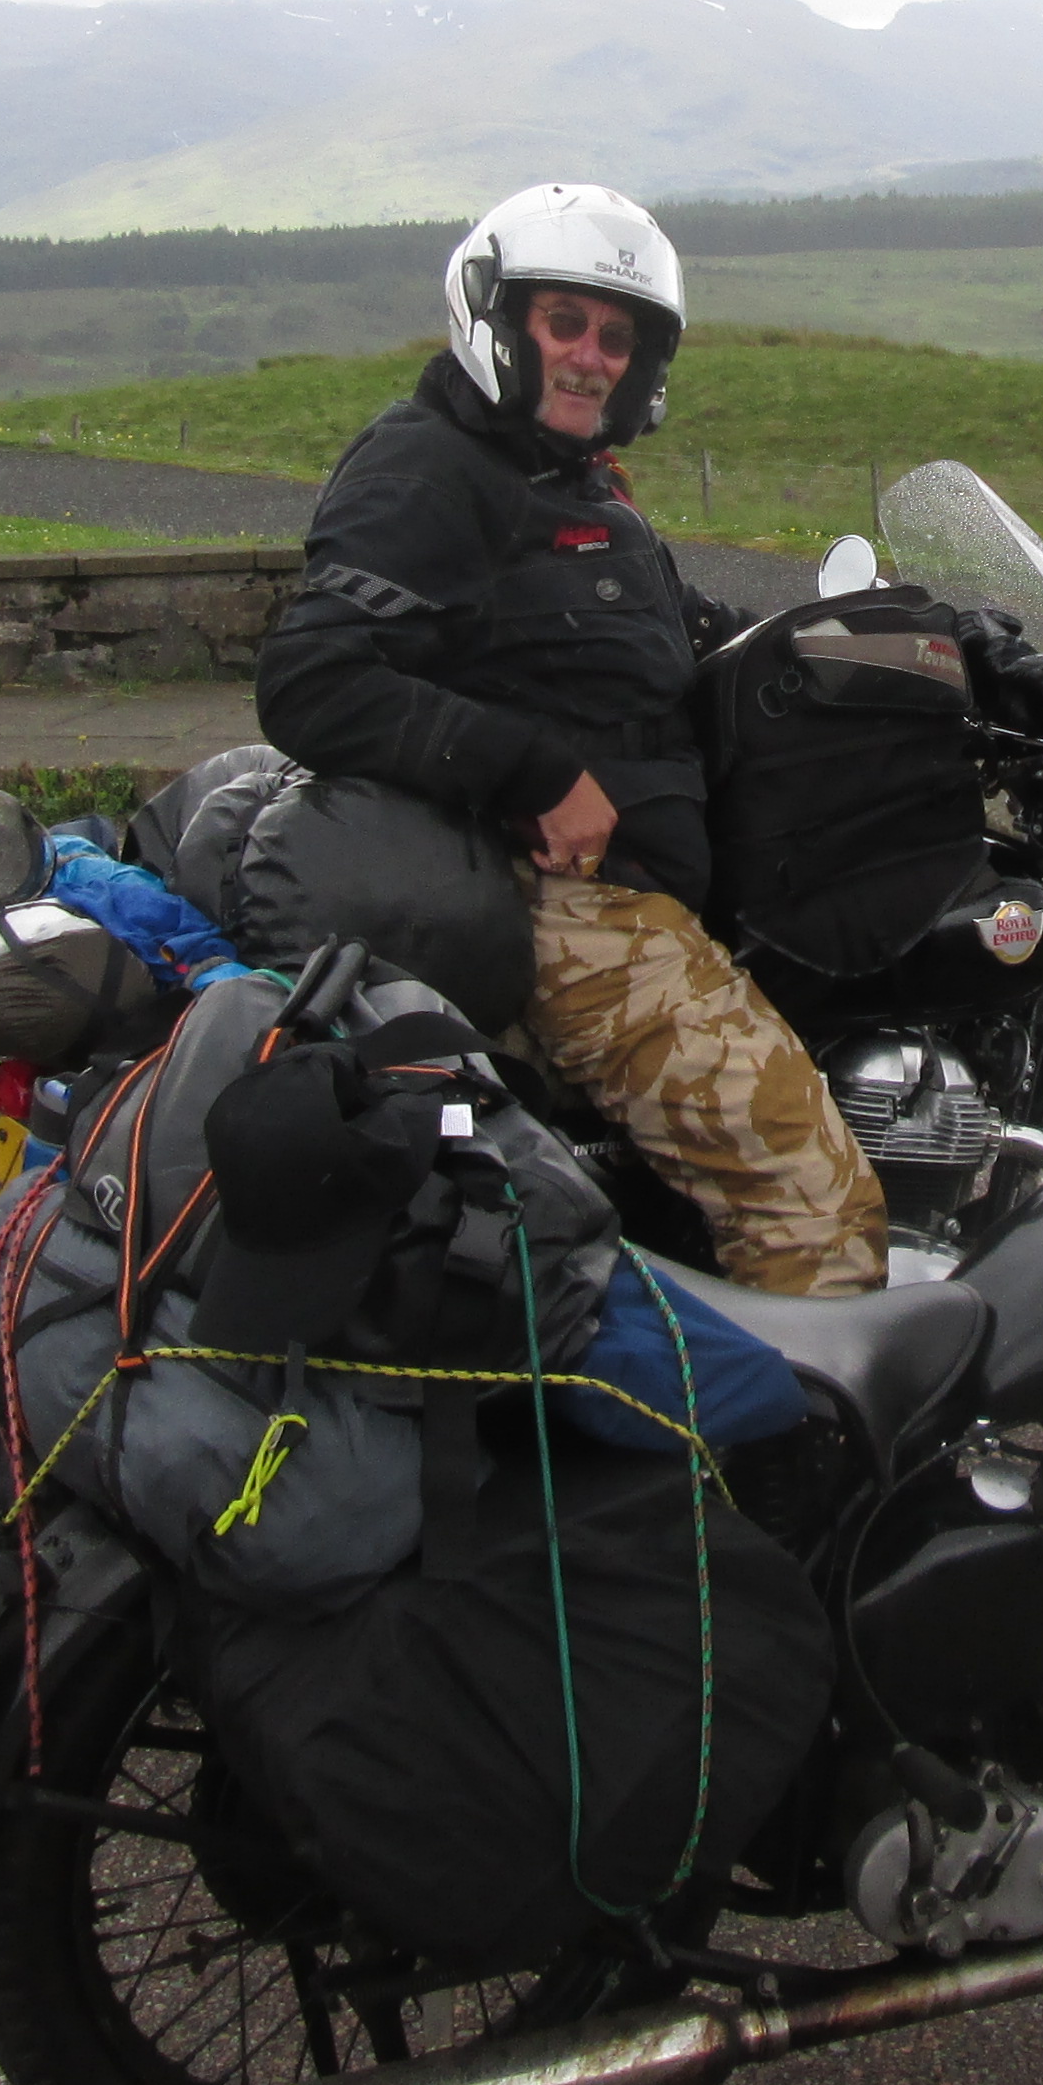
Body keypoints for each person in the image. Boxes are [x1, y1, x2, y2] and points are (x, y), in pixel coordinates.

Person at [253, 183, 886, 1296]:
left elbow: (683, 635)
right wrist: (531, 770)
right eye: (565, 324)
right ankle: (802, 1412)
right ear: (498, 320)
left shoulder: (572, 482)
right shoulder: (429, 467)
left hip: (646, 887)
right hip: (578, 911)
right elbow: (313, 678)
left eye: (616, 338)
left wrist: (885, 648)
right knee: (813, 1206)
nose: (592, 358)